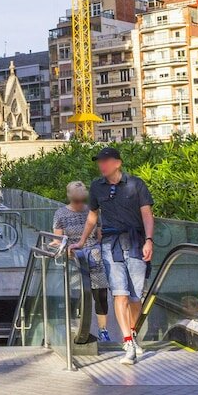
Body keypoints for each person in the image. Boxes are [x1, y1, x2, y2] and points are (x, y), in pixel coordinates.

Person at [73, 147, 155, 365]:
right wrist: (81, 241)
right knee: (120, 294)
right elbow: (92, 216)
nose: (102, 165)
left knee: (136, 297)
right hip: (110, 245)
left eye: (106, 161)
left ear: (118, 163)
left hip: (136, 243)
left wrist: (149, 240)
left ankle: (132, 333)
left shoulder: (135, 184)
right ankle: (127, 340)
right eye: (100, 162)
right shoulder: (96, 187)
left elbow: (147, 214)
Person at [53, 180, 111, 342]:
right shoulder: (61, 214)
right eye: (76, 200)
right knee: (76, 294)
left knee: (100, 294)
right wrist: (62, 247)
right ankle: (75, 327)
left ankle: (103, 330)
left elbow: (99, 234)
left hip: (94, 257)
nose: (79, 204)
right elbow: (58, 239)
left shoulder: (92, 212)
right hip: (74, 259)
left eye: (81, 200)